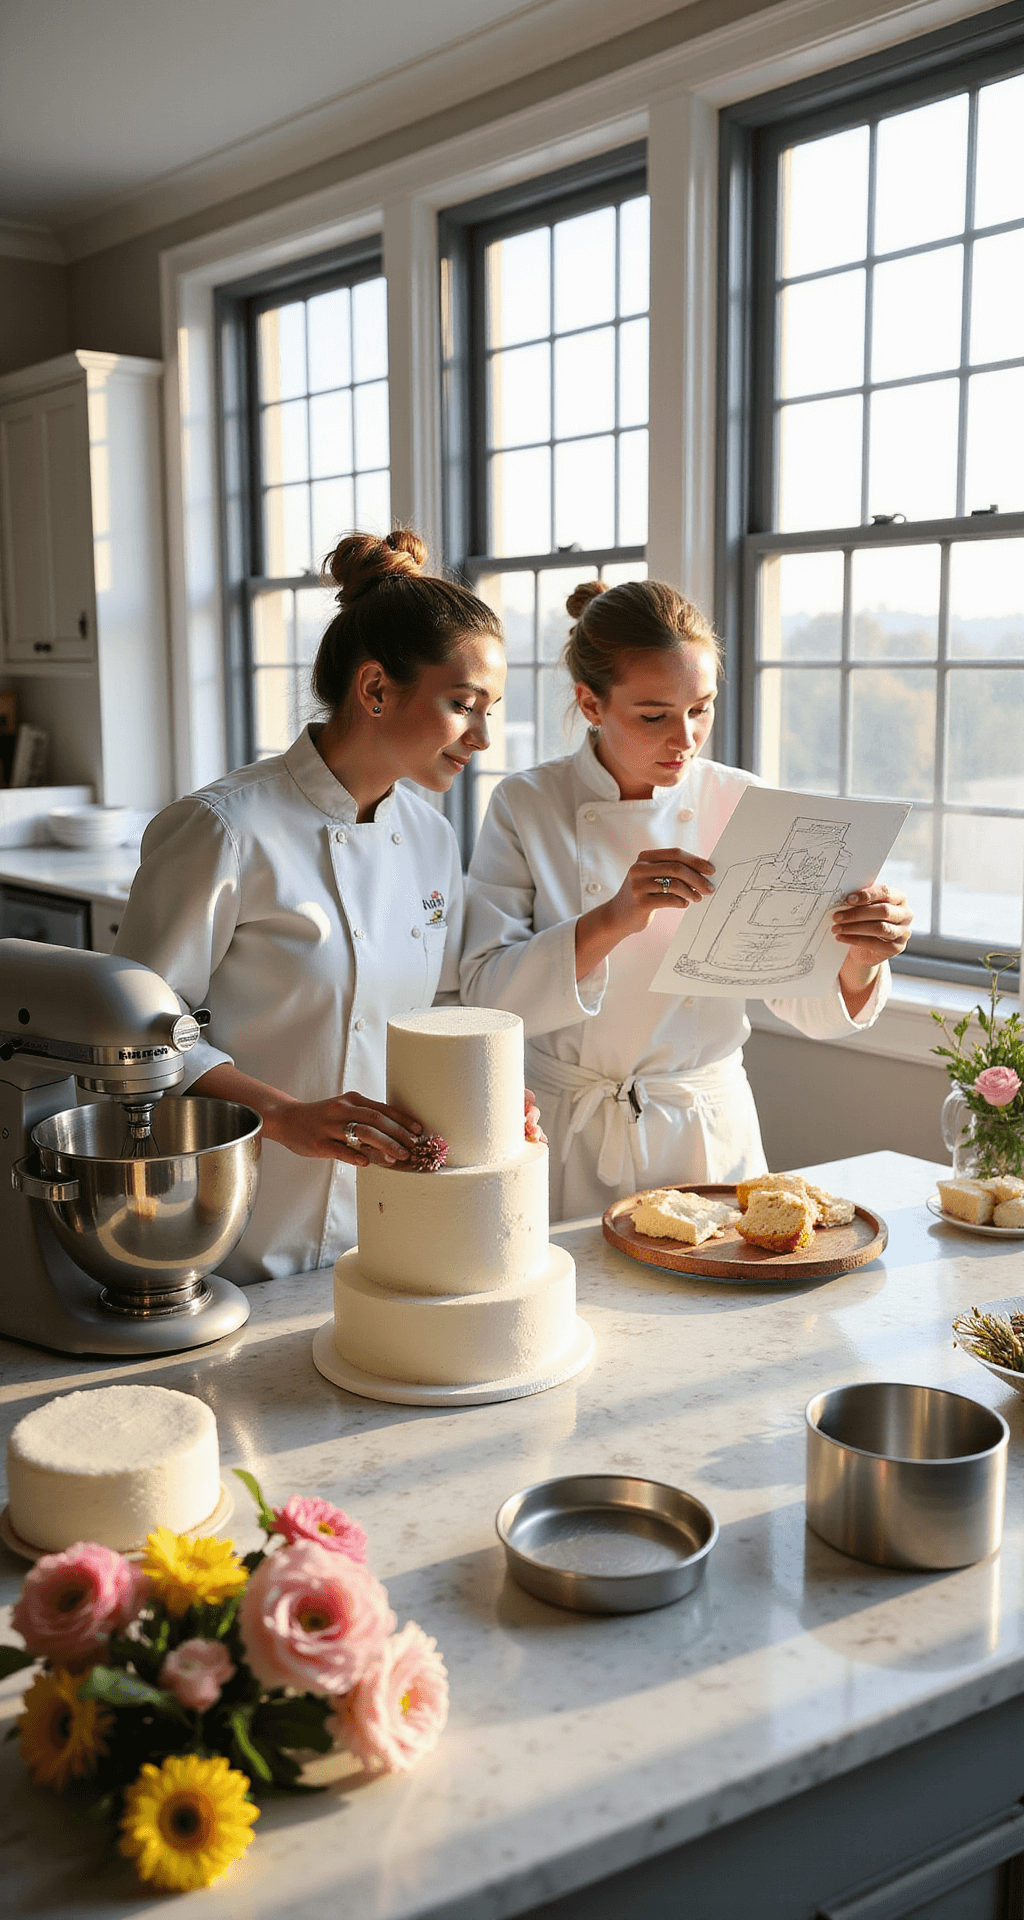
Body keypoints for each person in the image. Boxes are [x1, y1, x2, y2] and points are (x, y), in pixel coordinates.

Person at [114, 530, 506, 1280]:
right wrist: (283, 1115)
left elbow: (441, 1006)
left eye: (491, 710)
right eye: (464, 706)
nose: (482, 737)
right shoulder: (225, 829)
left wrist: (487, 1095)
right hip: (232, 1227)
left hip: (388, 1230)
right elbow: (133, 1033)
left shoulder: (428, 836)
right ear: (376, 689)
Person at [460, 578, 912, 1221]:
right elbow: (486, 996)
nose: (686, 738)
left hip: (708, 1133)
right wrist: (615, 917)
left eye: (702, 708)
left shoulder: (743, 801)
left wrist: (859, 959)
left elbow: (802, 1002)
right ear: (591, 703)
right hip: (564, 1136)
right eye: (654, 715)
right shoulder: (527, 804)